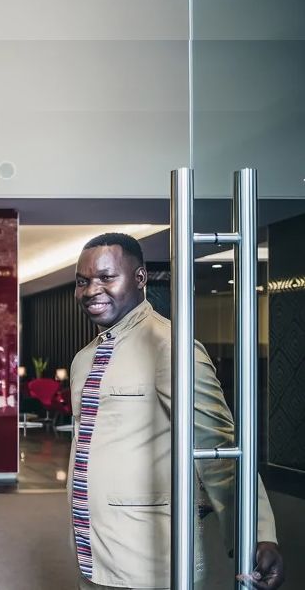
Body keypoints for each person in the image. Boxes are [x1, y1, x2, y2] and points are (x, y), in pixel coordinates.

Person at [68, 232, 284, 590]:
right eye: (82, 281)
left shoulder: (172, 348)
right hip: (92, 552)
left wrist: (257, 532)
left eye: (106, 277)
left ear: (140, 278)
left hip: (151, 560)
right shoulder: (83, 359)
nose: (91, 290)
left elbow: (219, 449)